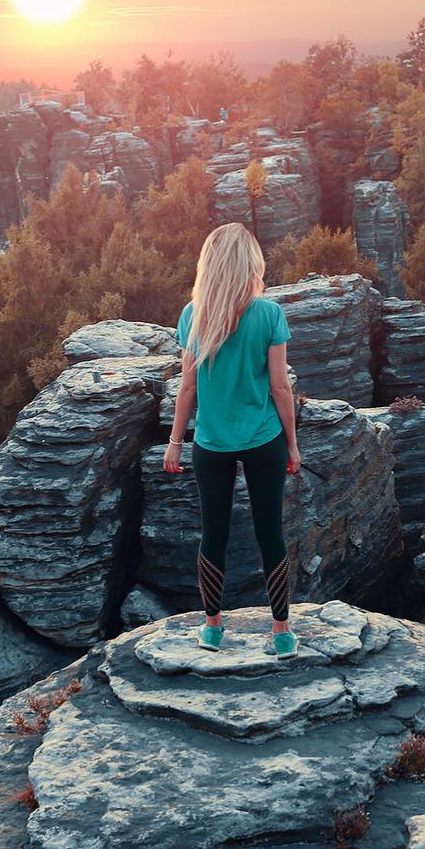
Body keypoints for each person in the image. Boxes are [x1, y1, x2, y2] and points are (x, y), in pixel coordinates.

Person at [163, 222, 302, 657]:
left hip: (211, 444)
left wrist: (174, 442)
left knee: (214, 533)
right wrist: (293, 445)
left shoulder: (192, 316)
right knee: (270, 533)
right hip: (264, 440)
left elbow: (187, 388)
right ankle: (281, 634)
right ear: (250, 264)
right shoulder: (269, 313)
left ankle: (212, 629)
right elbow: (280, 388)